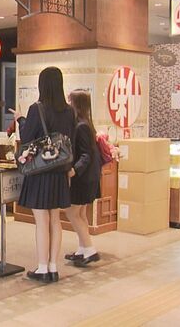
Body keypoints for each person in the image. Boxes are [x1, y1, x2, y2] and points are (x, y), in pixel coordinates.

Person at [16, 67, 75, 283]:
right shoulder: (69, 111)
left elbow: (27, 139)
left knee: (42, 221)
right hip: (59, 172)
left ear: (42, 85)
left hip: (40, 171)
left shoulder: (37, 109)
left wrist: (21, 120)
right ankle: (53, 267)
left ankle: (42, 268)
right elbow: (71, 140)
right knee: (55, 220)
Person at [64, 90, 102, 267]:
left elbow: (86, 155)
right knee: (80, 214)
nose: (67, 103)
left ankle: (90, 249)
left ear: (76, 104)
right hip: (89, 177)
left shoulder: (81, 126)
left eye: (70, 100)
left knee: (72, 212)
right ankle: (82, 249)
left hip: (83, 178)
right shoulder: (86, 124)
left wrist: (74, 170)